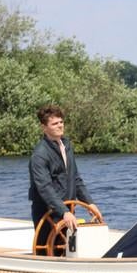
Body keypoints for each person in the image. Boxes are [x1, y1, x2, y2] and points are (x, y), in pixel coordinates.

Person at [28, 105, 101, 253]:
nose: (60, 126)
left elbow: (75, 178)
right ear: (44, 127)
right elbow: (45, 188)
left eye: (61, 122)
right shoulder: (39, 155)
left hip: (67, 210)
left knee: (67, 249)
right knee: (47, 252)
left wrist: (90, 202)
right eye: (55, 123)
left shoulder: (66, 145)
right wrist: (63, 211)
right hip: (47, 213)